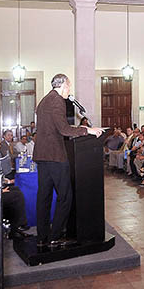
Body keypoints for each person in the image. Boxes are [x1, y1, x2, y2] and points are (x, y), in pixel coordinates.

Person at [33, 73, 103, 248]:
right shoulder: (57, 101)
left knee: (44, 197)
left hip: (42, 155)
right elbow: (64, 129)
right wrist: (87, 130)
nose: (69, 90)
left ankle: (42, 237)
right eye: (69, 86)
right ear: (63, 85)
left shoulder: (44, 100)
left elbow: (53, 127)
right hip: (55, 156)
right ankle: (55, 236)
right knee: (65, 197)